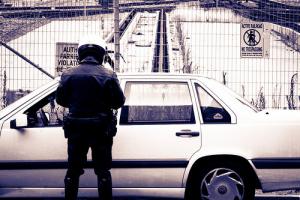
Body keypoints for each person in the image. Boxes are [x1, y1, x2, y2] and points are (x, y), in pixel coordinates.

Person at [56, 35, 125, 200]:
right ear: (101, 54)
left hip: (75, 130)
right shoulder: (109, 75)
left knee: (73, 170)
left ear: (80, 54)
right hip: (101, 130)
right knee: (103, 171)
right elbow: (118, 102)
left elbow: (61, 100)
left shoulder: (68, 74)